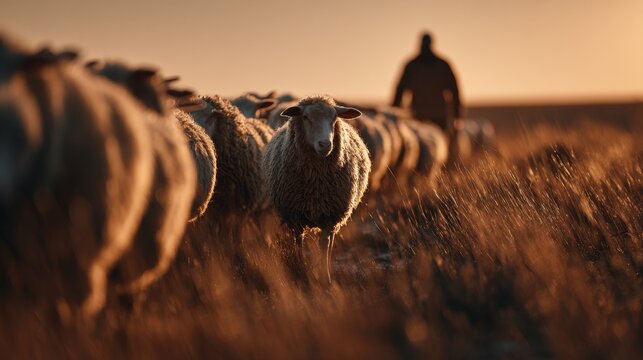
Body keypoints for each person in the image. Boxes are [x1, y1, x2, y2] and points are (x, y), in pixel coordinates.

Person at [392, 32, 462, 130]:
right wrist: (458, 115)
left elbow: (399, 91)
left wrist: (393, 114)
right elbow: (454, 90)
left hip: (421, 115)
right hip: (431, 116)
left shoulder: (412, 65)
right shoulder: (442, 65)